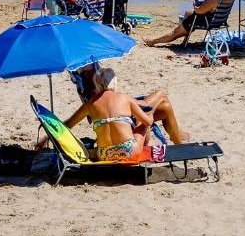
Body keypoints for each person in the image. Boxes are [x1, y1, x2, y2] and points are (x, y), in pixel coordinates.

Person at [59, 63, 187, 162]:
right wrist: (149, 114)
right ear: (114, 82)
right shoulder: (123, 98)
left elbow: (67, 125)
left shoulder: (90, 104)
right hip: (128, 152)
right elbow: (148, 122)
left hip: (104, 154)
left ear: (96, 83)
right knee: (148, 115)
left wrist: (50, 133)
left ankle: (177, 139)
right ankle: (178, 143)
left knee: (165, 106)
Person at [143, 0, 232, 47]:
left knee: (174, 33)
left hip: (207, 22)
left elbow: (198, 11)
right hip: (219, 21)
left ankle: (153, 41)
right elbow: (212, 8)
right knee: (188, 13)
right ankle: (184, 40)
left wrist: (195, 6)